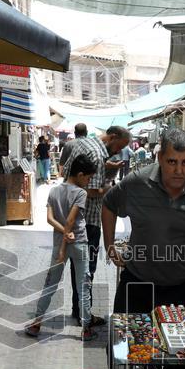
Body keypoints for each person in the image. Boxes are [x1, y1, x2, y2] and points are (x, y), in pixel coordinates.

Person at [102, 127, 185, 314]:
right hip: (138, 283)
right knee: (123, 340)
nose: (179, 170)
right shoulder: (137, 183)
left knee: (184, 343)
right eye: (172, 161)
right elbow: (109, 204)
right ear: (160, 159)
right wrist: (109, 246)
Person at [24, 154, 99, 342]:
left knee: (50, 285)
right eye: (88, 178)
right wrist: (65, 243)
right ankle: (86, 328)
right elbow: (71, 221)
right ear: (80, 174)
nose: (88, 182)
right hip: (78, 243)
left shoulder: (54, 191)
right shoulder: (80, 193)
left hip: (60, 243)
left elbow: (50, 219)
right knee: (83, 286)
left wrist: (62, 239)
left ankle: (36, 323)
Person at [65, 125, 132, 321]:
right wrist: (109, 189)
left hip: (74, 218)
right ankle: (84, 315)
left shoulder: (86, 144)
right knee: (86, 270)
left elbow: (79, 171)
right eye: (119, 146)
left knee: (78, 267)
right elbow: (90, 191)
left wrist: (108, 167)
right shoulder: (96, 153)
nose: (119, 151)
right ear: (112, 137)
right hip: (88, 221)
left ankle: (79, 310)